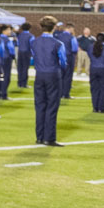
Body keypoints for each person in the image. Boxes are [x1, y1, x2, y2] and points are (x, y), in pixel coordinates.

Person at [32, 16, 67, 146]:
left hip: (39, 75)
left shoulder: (34, 42)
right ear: (54, 27)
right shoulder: (58, 43)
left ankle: (39, 137)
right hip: (53, 75)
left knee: (40, 106)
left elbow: (34, 57)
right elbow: (63, 63)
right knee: (52, 107)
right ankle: (49, 138)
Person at [53, 22, 78, 99]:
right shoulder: (72, 37)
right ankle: (65, 94)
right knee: (68, 76)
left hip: (59, 57)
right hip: (69, 57)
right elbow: (74, 49)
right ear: (70, 28)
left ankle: (59, 93)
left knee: (60, 76)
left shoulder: (58, 36)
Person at [0, 24, 16, 100]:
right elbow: (11, 50)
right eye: (8, 30)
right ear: (4, 31)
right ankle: (4, 94)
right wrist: (13, 56)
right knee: (6, 77)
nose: (10, 31)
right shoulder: (7, 40)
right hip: (6, 59)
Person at [16, 22, 34, 89]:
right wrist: (33, 54)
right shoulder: (31, 36)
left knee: (20, 68)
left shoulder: (19, 35)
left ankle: (19, 83)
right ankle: (24, 83)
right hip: (26, 52)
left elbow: (18, 43)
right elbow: (32, 45)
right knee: (25, 68)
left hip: (20, 52)